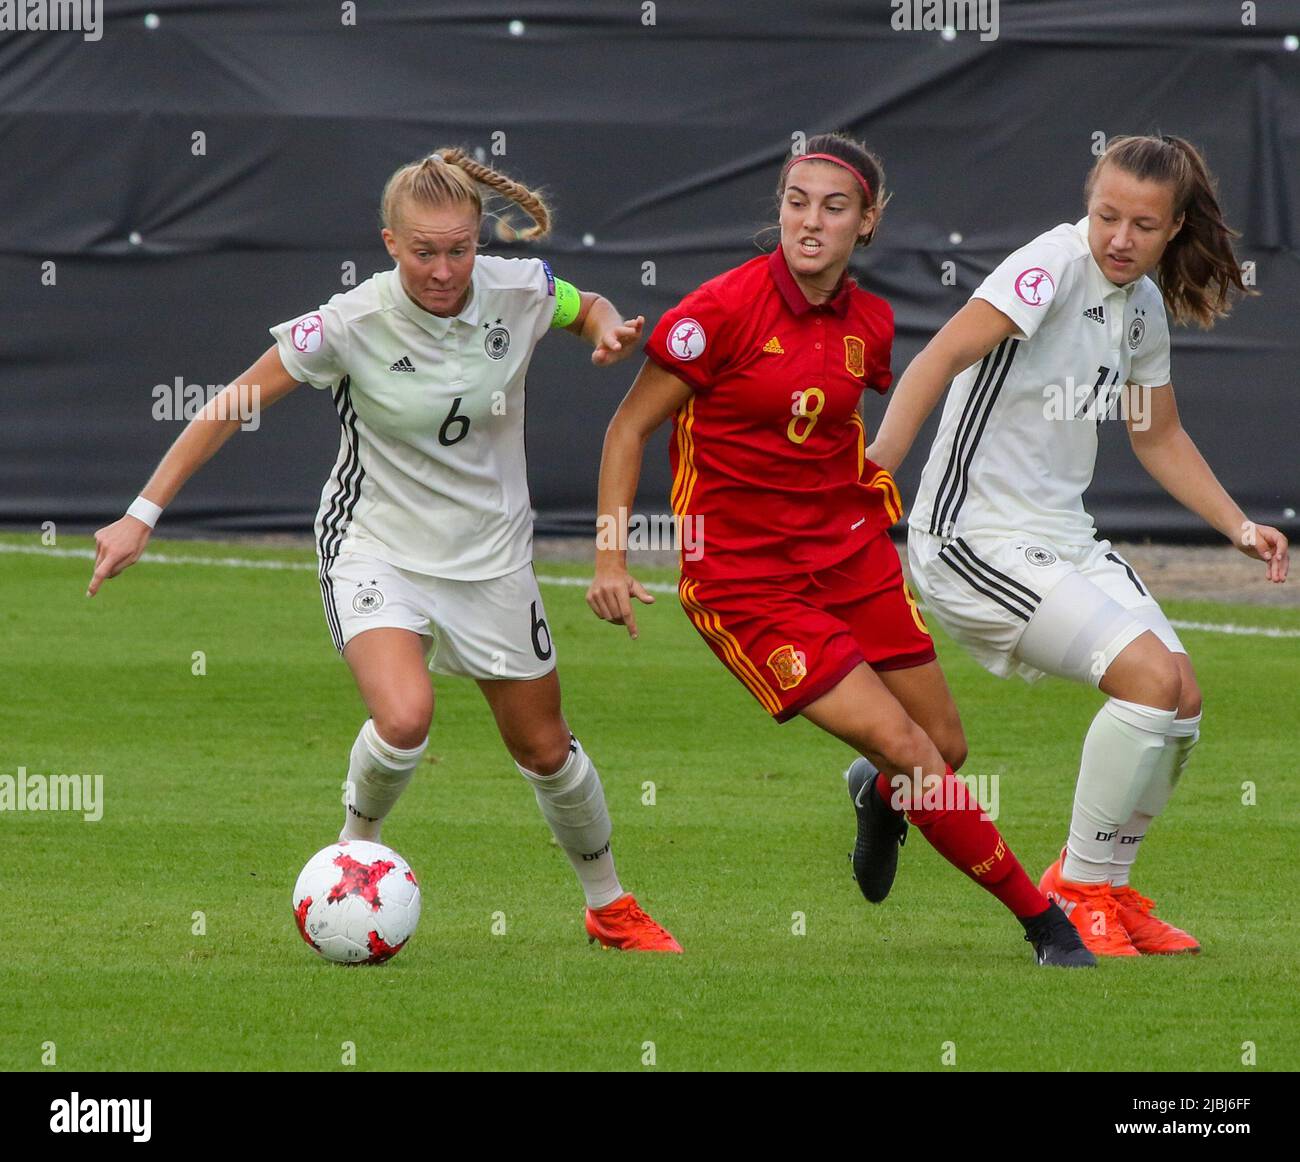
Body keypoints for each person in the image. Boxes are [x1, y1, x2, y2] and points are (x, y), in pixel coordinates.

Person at [87, 147, 681, 953]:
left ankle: (609, 907)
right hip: (377, 548)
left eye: (460, 248)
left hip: (493, 559)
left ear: (478, 239)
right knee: (404, 718)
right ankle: (348, 855)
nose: (444, 269)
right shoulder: (349, 322)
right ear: (390, 243)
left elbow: (585, 304)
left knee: (545, 747)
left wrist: (608, 327)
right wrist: (140, 515)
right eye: (424, 251)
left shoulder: (520, 287)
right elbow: (229, 403)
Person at [587, 132, 1093, 967]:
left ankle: (877, 799)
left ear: (868, 221)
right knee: (909, 750)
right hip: (747, 583)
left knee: (944, 748)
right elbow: (627, 428)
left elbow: (833, 429)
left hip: (850, 556)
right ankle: (1045, 923)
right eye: (795, 202)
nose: (809, 222)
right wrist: (612, 556)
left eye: (833, 206)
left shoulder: (872, 321)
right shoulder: (717, 312)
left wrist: (871, 490)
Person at [871, 134, 1289, 957]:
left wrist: (1238, 524)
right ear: (1088, 204)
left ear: (1173, 228)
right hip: (972, 538)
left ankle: (1108, 882)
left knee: (1180, 696)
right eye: (1106, 216)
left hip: (1062, 538)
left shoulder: (1140, 305)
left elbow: (1157, 435)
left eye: (1142, 223)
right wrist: (875, 468)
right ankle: (1078, 888)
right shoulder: (1049, 267)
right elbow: (938, 359)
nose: (1120, 238)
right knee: (1142, 681)